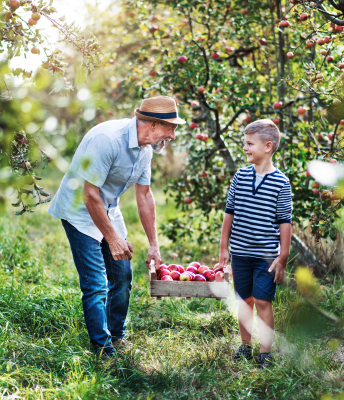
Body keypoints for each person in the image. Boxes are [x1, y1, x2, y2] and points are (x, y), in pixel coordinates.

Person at [48, 96, 185, 357]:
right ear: (153, 125)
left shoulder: (145, 150)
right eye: (171, 128)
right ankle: (102, 348)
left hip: (108, 208)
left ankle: (117, 335)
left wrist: (154, 245)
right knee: (96, 283)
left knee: (122, 275)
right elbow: (89, 195)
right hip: (79, 210)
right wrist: (112, 239)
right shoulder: (108, 140)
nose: (173, 135)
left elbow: (144, 196)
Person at [218, 119, 292, 368]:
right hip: (240, 253)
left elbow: (285, 222)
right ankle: (245, 345)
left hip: (266, 257)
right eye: (244, 143)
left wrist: (283, 256)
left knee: (262, 301)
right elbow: (229, 213)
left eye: (249, 144)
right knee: (245, 301)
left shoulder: (281, 183)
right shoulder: (240, 176)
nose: (245, 148)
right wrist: (223, 248)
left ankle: (265, 352)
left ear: (268, 146)